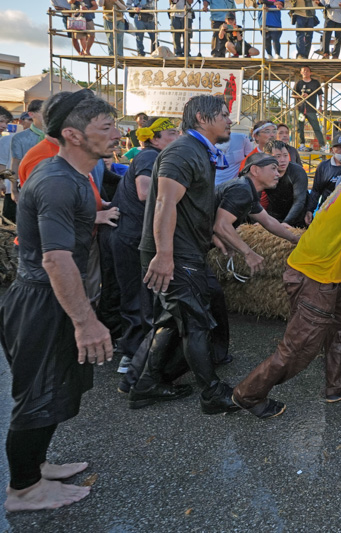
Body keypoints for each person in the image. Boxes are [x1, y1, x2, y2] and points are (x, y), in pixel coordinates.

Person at [0, 89, 118, 512]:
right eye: (105, 128)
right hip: (41, 302)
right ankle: (24, 491)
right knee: (36, 397)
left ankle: (36, 466)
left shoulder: (75, 176)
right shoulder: (54, 181)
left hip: (53, 300)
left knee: (51, 393)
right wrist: (86, 321)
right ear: (72, 134)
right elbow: (54, 259)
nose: (117, 134)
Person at [232, 135, 341, 418]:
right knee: (297, 349)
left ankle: (338, 384)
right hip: (317, 276)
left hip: (319, 271)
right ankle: (247, 395)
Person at [128, 95, 241, 415]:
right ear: (202, 119)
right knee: (195, 324)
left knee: (171, 321)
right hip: (176, 254)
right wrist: (165, 255)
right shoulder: (183, 151)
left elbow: (190, 205)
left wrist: (210, 237)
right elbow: (164, 204)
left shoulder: (196, 150)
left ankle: (146, 383)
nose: (229, 120)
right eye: (223, 115)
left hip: (184, 249)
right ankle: (211, 392)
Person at [111, 118, 180, 374]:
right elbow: (144, 191)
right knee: (136, 297)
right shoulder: (150, 156)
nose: (177, 137)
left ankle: (139, 353)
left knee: (143, 296)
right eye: (171, 133)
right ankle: (131, 357)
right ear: (154, 138)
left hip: (136, 236)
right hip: (131, 237)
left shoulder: (156, 156)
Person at [213, 153, 300, 272]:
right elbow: (221, 226)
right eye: (273, 168)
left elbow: (268, 221)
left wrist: (295, 239)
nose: (278, 174)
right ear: (255, 170)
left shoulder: (247, 189)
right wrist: (248, 253)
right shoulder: (242, 189)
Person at [8, 100, 46, 223]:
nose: (47, 115)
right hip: (28, 188)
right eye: (43, 112)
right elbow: (15, 164)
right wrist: (14, 190)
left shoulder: (57, 136)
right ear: (31, 114)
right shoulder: (20, 138)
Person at [260, 140, 308, 227]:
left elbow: (299, 200)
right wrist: (259, 220)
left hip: (297, 217)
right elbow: (254, 199)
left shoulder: (297, 172)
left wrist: (286, 222)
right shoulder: (262, 172)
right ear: (267, 157)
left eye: (285, 155)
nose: (283, 160)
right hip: (275, 214)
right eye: (278, 156)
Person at [305, 134, 341, 223]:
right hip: (326, 210)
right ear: (332, 150)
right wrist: (310, 210)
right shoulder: (324, 166)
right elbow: (316, 191)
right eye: (339, 148)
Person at [293, 66, 326, 151]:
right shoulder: (299, 83)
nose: (305, 72)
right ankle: (302, 144)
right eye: (303, 71)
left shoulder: (315, 83)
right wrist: (301, 96)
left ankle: (322, 145)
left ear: (310, 73)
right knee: (300, 127)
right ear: (301, 72)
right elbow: (293, 94)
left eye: (307, 71)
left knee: (316, 127)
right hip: (301, 109)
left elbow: (320, 94)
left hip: (311, 109)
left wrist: (321, 105)